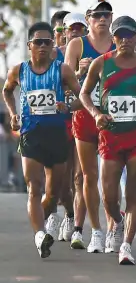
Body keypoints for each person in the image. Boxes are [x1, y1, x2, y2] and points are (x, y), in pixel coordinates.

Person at [80, 15, 136, 265]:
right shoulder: (101, 64)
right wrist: (96, 114)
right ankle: (117, 220)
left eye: (129, 35)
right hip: (110, 136)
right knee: (108, 197)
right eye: (119, 35)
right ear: (113, 38)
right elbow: (84, 93)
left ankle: (126, 245)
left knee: (133, 193)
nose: (124, 40)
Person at [2, 22, 82, 258]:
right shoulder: (19, 71)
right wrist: (14, 113)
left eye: (48, 41)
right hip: (31, 135)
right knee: (33, 189)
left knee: (54, 193)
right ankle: (39, 236)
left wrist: (66, 105)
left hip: (57, 136)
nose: (44, 46)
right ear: (29, 45)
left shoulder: (63, 70)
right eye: (38, 42)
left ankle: (46, 222)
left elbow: (82, 97)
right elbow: (7, 91)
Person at [65, 0, 120, 253]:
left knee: (111, 178)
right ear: (88, 19)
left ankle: (112, 228)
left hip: (111, 117)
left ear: (111, 18)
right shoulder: (78, 44)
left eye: (106, 14)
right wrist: (79, 71)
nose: (102, 19)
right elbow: (65, 82)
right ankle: (95, 231)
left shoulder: (119, 43)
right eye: (97, 15)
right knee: (88, 176)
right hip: (85, 116)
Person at [46, 13, 89, 242]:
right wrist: (77, 74)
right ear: (62, 32)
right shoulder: (53, 56)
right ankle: (67, 212)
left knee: (78, 176)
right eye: (70, 29)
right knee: (60, 178)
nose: (74, 33)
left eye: (80, 29)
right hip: (60, 120)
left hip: (81, 117)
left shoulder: (90, 53)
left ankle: (75, 223)